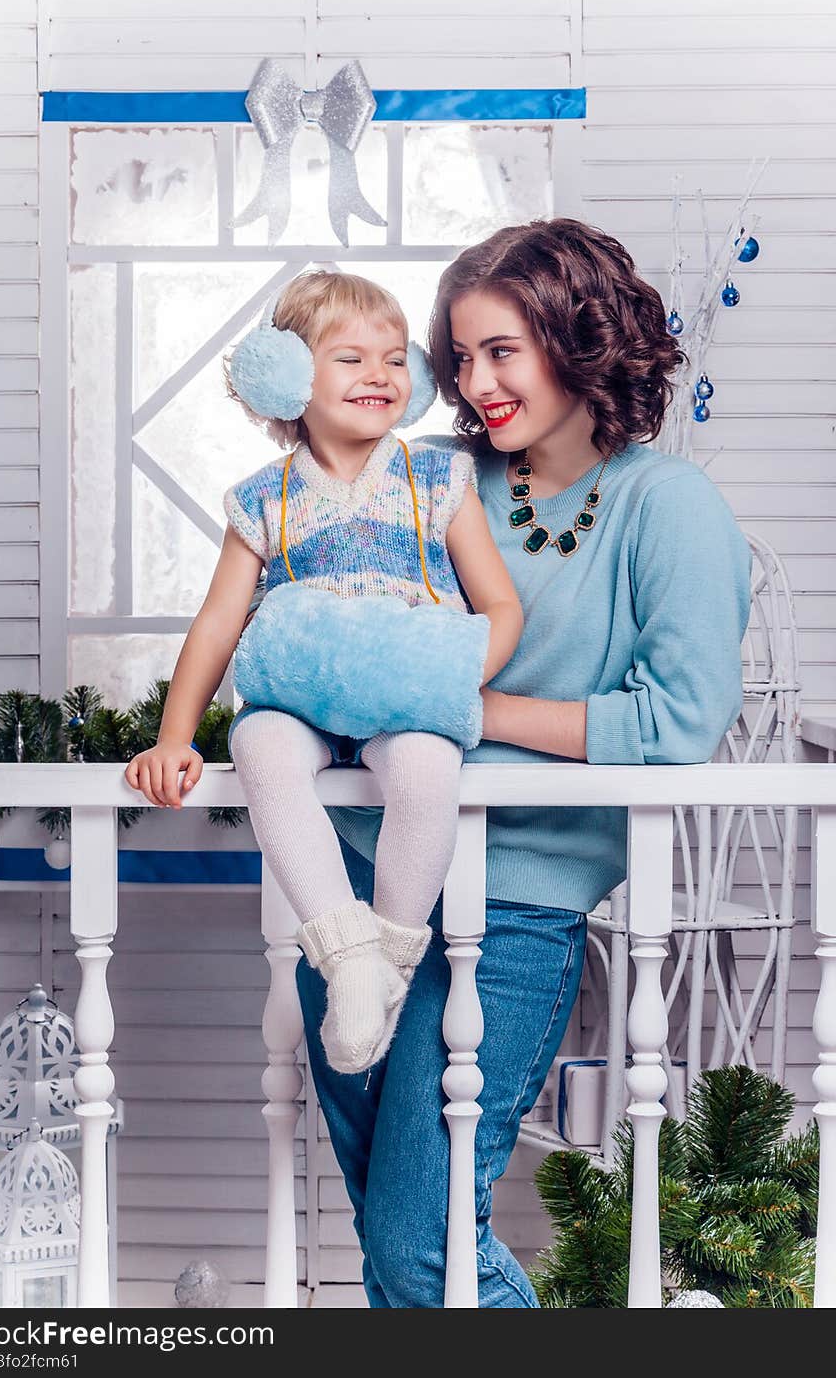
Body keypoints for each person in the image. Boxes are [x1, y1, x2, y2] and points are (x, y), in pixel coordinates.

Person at [298, 218, 753, 1308]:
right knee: (401, 1239)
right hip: (356, 896)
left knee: (417, 1251)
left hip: (514, 907)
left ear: (580, 338)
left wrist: (472, 703)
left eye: (502, 350)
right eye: (459, 357)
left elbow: (683, 719)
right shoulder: (438, 481)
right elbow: (334, 612)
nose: (474, 381)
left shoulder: (665, 506)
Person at [124, 270, 523, 1081]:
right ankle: (348, 958)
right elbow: (218, 623)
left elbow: (501, 606)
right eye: (350, 358)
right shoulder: (262, 500)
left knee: (424, 764)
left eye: (392, 357)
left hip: (404, 690)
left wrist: (446, 674)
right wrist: (173, 736)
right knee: (264, 748)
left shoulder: (438, 481)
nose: (378, 374)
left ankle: (392, 958)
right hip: (300, 696)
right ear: (289, 379)